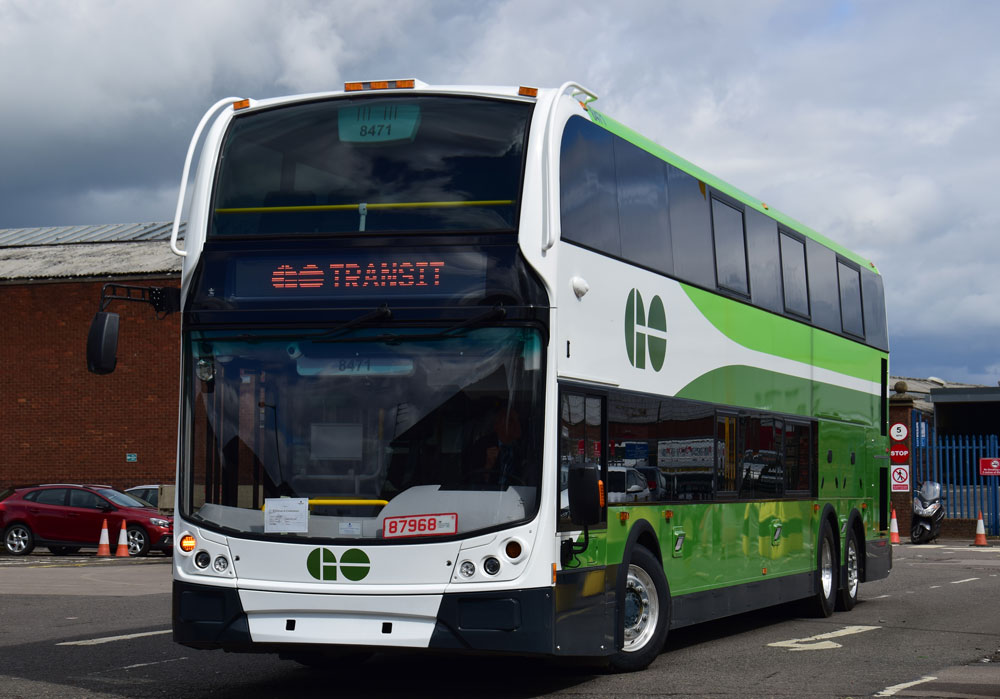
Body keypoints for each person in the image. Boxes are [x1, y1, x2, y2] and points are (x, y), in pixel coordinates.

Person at [466, 404, 522, 487]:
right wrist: (488, 465)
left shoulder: (523, 447)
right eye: (510, 421)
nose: (516, 425)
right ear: (497, 425)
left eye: (517, 420)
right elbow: (473, 481)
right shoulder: (482, 445)